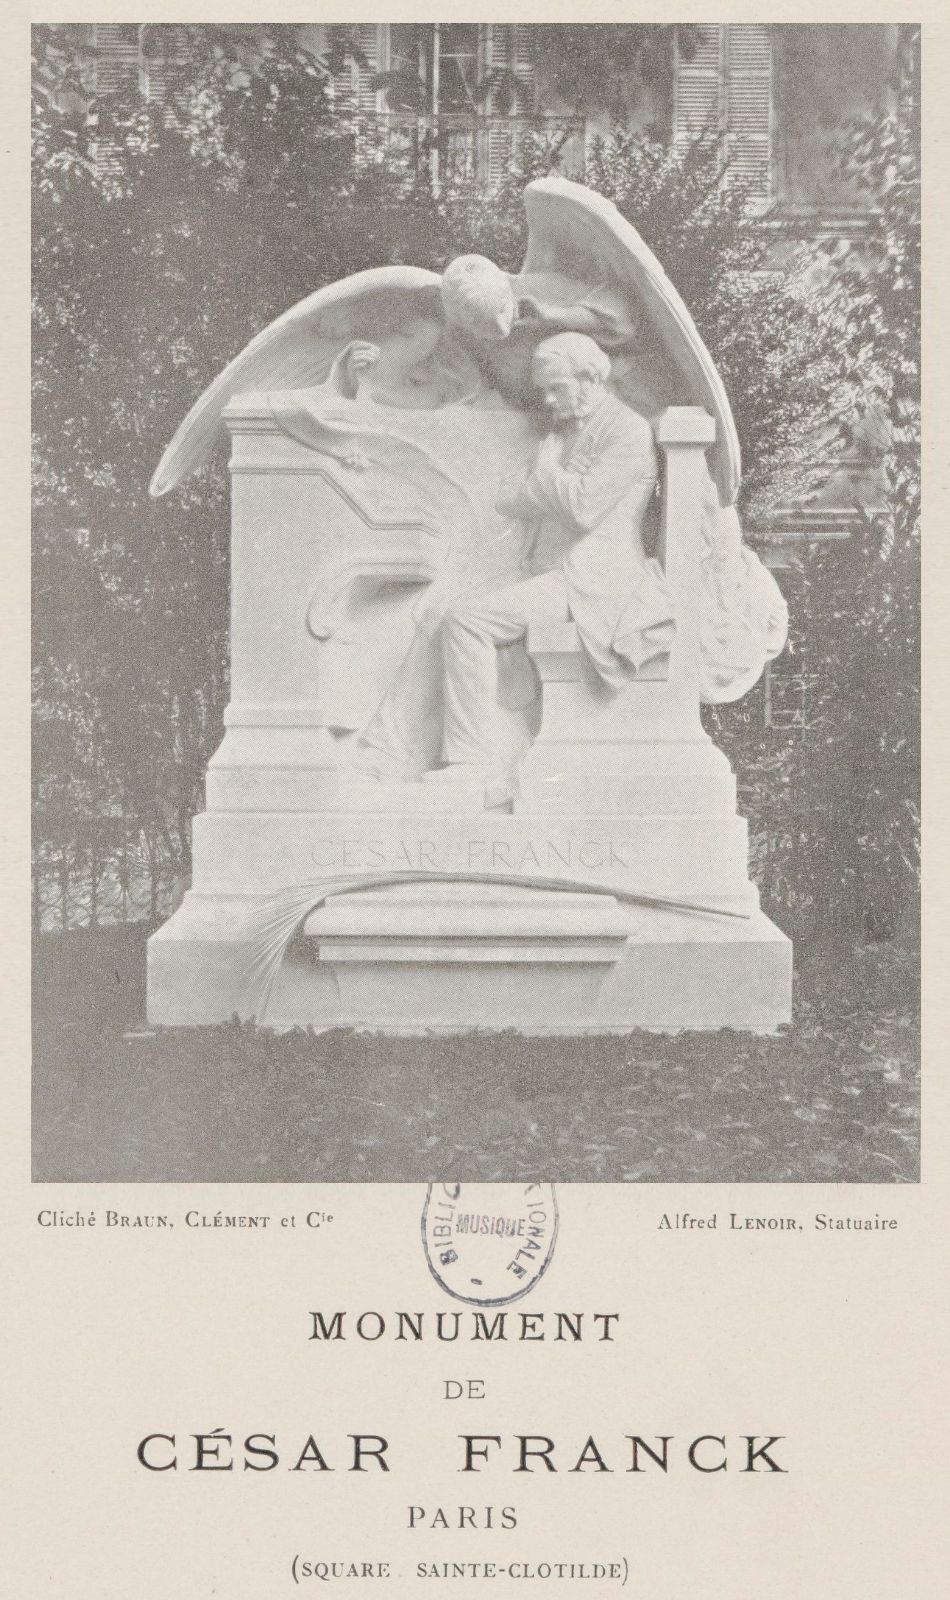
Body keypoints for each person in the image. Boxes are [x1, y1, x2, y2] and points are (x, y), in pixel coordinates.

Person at [356, 333, 676, 798]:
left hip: (596, 582)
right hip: (549, 571)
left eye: (556, 388)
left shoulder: (625, 431)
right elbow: (514, 498)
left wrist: (547, 474)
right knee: (437, 610)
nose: (547, 399)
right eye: (543, 388)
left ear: (589, 379)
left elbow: (583, 508)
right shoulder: (572, 432)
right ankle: (384, 750)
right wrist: (550, 485)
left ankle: (473, 762)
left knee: (468, 621)